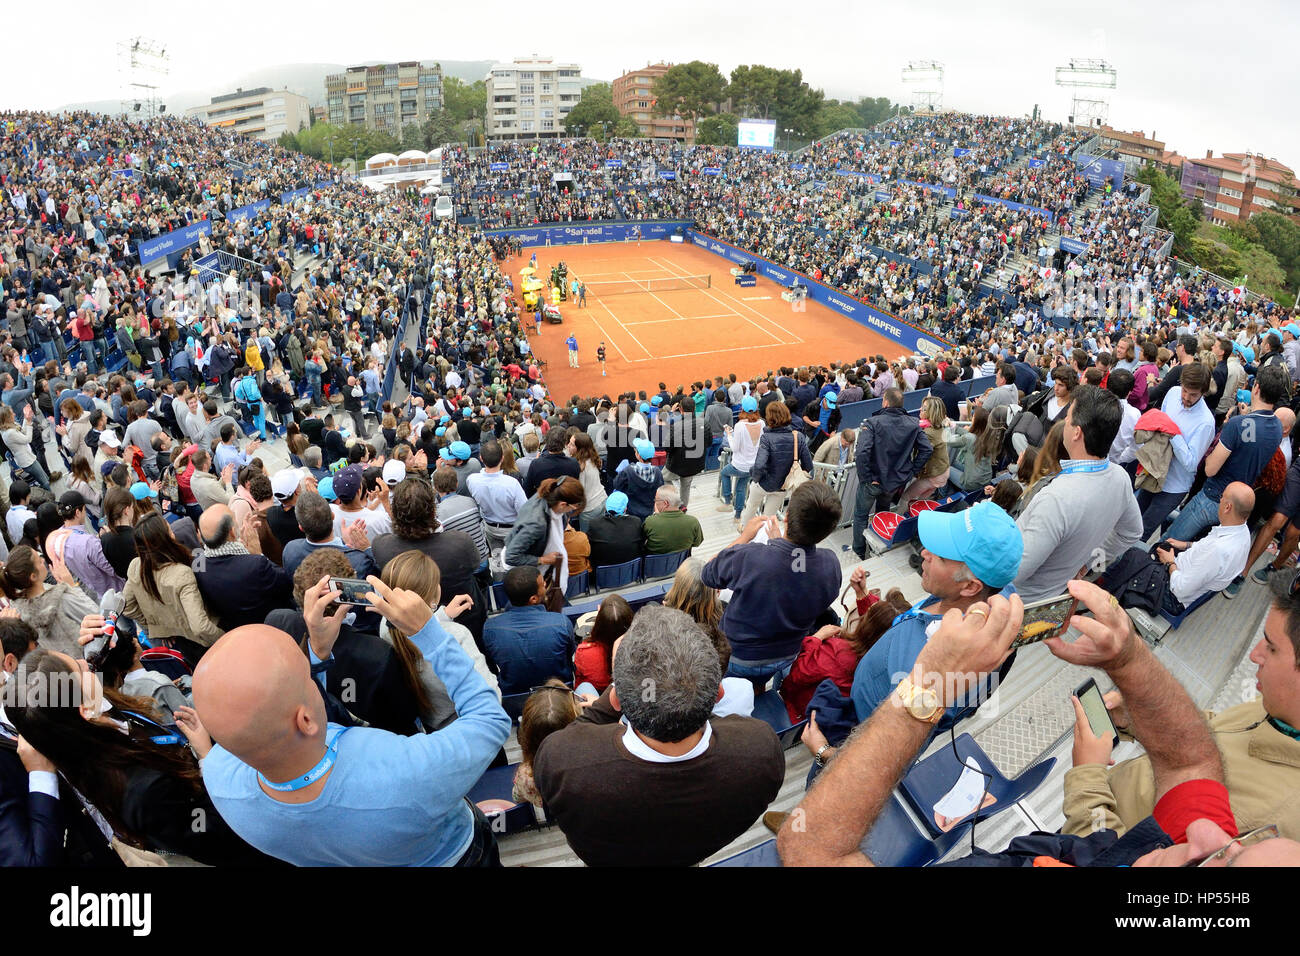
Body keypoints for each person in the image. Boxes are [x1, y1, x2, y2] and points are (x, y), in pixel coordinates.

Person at [777, 579, 1300, 867]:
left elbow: (810, 851)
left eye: (1228, 863)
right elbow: (1191, 763)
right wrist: (1128, 658)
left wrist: (928, 686)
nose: (1212, 831)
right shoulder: (1192, 846)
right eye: (1244, 841)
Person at [190, 574, 511, 866]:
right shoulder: (408, 772)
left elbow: (286, 722)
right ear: (304, 720)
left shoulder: (220, 778)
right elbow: (490, 719)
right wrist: (430, 633)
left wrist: (317, 654)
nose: (311, 674)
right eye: (304, 675)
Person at [533, 604, 785, 867]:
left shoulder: (561, 760)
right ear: (719, 693)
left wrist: (606, 704)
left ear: (616, 700)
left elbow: (570, 740)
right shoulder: (762, 750)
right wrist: (692, 699)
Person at [1062, 568, 1300, 841]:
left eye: (1271, 648)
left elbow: (1117, 858)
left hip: (1090, 829)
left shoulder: (1278, 828)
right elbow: (1208, 732)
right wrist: (1136, 714)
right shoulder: (1278, 708)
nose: (1255, 655)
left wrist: (1087, 778)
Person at [8, 648, 277, 866]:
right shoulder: (143, 793)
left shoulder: (96, 723)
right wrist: (207, 758)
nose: (85, 662)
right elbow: (207, 827)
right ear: (84, 709)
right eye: (78, 668)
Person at [851, 501, 1024, 728]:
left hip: (861, 725)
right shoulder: (992, 592)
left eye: (941, 556)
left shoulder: (928, 677)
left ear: (971, 587)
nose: (924, 552)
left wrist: (828, 753)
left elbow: (894, 743)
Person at [701, 481, 842, 687]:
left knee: (726, 691)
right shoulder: (831, 564)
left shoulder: (751, 557)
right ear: (828, 531)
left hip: (737, 655)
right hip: (785, 655)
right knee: (756, 685)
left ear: (786, 517)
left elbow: (708, 573)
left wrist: (745, 536)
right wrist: (779, 545)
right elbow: (796, 576)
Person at [1015, 385, 1143, 603]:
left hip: (1017, 600)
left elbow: (1016, 572)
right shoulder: (1121, 477)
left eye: (1068, 417)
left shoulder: (1056, 498)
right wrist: (1088, 562)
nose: (1064, 422)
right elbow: (1132, 532)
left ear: (1077, 432)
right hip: (1053, 594)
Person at [1166, 364, 1285, 548]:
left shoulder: (1239, 424)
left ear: (1256, 387)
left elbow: (1210, 468)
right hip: (1234, 508)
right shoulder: (1277, 426)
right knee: (1192, 549)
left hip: (1212, 497)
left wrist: (1228, 429)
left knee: (1169, 542)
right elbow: (1251, 442)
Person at [1103, 482, 1254, 615]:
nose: (1220, 499)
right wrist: (1185, 545)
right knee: (1142, 551)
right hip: (1179, 571)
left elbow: (1181, 589)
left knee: (1129, 551)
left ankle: (1101, 595)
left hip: (1170, 594)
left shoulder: (1219, 550)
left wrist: (1169, 563)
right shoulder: (1241, 531)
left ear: (1228, 507)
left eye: (1223, 496)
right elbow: (1206, 550)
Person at [370, 477, 487, 649]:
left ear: (395, 513)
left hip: (428, 629)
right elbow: (476, 566)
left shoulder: (382, 546)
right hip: (462, 622)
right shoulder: (460, 543)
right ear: (433, 511)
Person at [123, 512, 223, 663]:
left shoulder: (135, 565)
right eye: (169, 530)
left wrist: (160, 627)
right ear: (163, 540)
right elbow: (200, 626)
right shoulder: (181, 574)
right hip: (203, 643)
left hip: (178, 642)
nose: (173, 533)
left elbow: (127, 605)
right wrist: (225, 637)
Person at [1134, 362, 1215, 541]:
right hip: (1153, 473)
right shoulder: (1172, 394)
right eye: (1184, 390)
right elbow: (1157, 426)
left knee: (1144, 532)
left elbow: (1191, 463)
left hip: (1174, 486)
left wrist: (1172, 432)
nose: (1186, 397)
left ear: (1203, 392)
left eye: (1193, 394)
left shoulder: (1206, 422)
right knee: (1134, 523)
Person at [851, 388, 932, 559]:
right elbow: (927, 449)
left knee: (860, 516)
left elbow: (861, 453)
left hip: (873, 482)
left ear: (886, 402)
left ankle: (859, 551)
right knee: (882, 512)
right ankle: (879, 542)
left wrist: (867, 478)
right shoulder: (913, 423)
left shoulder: (872, 423)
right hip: (894, 482)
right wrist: (910, 472)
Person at [193, 504, 295, 632]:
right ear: (231, 532)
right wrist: (258, 553)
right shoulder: (256, 564)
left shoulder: (198, 563)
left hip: (236, 629)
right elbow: (287, 584)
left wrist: (240, 543)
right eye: (235, 521)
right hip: (271, 626)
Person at [483, 567, 576, 695]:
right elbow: (569, 655)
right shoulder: (561, 623)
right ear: (533, 599)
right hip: (558, 694)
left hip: (511, 698)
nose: (545, 585)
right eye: (542, 585)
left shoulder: (490, 628)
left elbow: (491, 666)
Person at [0, 545, 96, 658]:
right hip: (91, 657)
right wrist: (72, 586)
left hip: (65, 668)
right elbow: (96, 613)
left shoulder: (18, 612)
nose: (43, 559)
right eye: (39, 561)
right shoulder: (61, 598)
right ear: (33, 576)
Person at [742, 401, 812, 524]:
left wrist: (755, 479)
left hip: (763, 484)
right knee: (768, 519)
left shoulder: (766, 438)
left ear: (770, 418)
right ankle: (762, 539)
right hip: (783, 486)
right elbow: (808, 465)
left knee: (751, 507)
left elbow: (759, 465)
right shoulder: (798, 436)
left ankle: (744, 531)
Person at [573, 594, 633, 695]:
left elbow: (579, 678)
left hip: (598, 696)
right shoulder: (639, 650)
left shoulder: (584, 652)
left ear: (599, 622)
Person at [641, 484, 703, 556]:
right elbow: (697, 543)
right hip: (682, 562)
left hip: (656, 565)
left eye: (656, 500)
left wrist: (656, 515)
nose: (655, 503)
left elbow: (642, 543)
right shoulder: (693, 522)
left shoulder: (650, 522)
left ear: (665, 503)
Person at [586, 491, 642, 567]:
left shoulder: (595, 524)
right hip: (630, 572)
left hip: (602, 574)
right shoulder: (636, 522)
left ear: (606, 507)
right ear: (625, 508)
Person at [612, 438, 663, 521]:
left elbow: (616, 485)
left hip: (632, 514)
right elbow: (660, 490)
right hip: (650, 513)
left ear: (638, 455)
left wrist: (620, 473)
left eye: (636, 451)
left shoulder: (628, 470)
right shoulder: (657, 472)